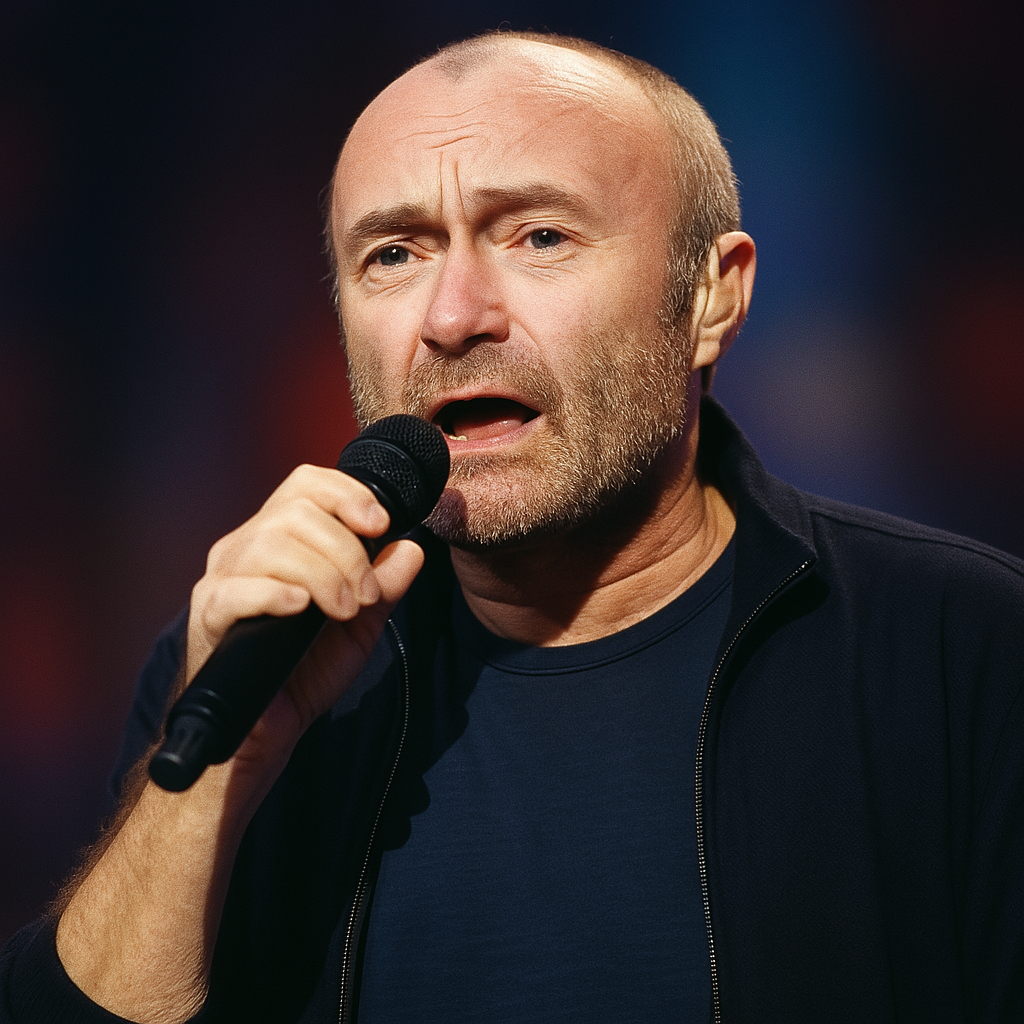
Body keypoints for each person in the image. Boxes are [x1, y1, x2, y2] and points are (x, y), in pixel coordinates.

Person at [2, 29, 1023, 1024]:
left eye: (539, 237)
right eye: (394, 253)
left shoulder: (961, 649)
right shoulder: (250, 670)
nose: (452, 317)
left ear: (711, 297)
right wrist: (213, 782)